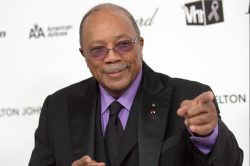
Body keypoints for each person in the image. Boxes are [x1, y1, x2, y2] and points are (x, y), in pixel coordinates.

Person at [28, 3, 243, 166]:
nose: (111, 57)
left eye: (123, 45)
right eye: (98, 49)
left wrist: (208, 134)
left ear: (140, 44)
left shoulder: (188, 96)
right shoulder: (57, 108)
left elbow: (230, 162)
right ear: (84, 55)